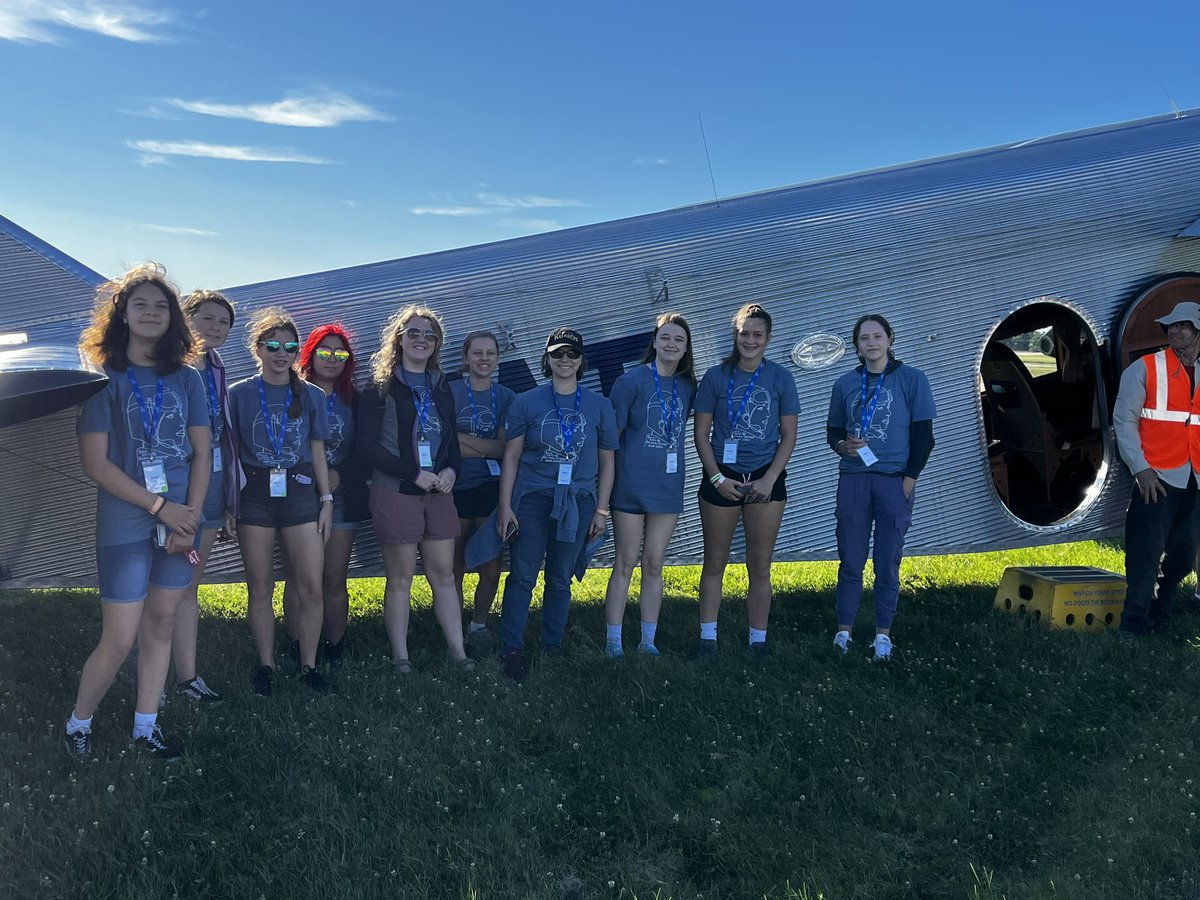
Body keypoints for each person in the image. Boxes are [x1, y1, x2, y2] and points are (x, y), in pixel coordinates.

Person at [65, 264, 210, 760]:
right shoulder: (101, 378)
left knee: (161, 624)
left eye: (161, 306)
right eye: (140, 304)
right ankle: (78, 723)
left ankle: (146, 727)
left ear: (173, 318)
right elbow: (95, 464)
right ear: (122, 315)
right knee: (121, 636)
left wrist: (189, 517)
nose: (151, 313)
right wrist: (160, 507)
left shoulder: (187, 379)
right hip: (127, 519)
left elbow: (203, 454)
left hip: (181, 519)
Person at [497, 327, 618, 680]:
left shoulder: (600, 405)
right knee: (523, 576)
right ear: (547, 359)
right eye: (557, 354)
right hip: (533, 498)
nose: (565, 360)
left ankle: (553, 645)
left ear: (581, 361)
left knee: (561, 577)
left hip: (578, 502)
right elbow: (511, 456)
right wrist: (505, 506)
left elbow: (608, 461)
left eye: (572, 354)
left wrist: (601, 510)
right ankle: (511, 649)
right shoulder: (527, 402)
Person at [226, 308, 335, 695]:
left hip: (300, 490)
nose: (281, 353)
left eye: (290, 347)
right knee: (260, 587)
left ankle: (309, 665)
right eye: (272, 345)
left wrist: (326, 499)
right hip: (254, 493)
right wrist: (229, 503)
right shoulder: (237, 393)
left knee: (311, 586)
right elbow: (230, 452)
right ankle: (266, 665)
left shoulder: (312, 394)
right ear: (257, 348)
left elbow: (318, 450)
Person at [358, 305, 473, 673]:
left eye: (429, 335)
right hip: (396, 492)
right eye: (414, 333)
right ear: (399, 338)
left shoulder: (441, 386)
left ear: (437, 344)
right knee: (401, 579)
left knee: (444, 575)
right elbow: (367, 447)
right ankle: (401, 658)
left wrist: (453, 469)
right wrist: (412, 473)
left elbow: (451, 440)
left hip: (438, 494)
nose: (421, 340)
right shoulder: (380, 386)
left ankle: (459, 653)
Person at [826, 314, 936, 660]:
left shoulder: (912, 379)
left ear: (890, 339)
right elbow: (833, 431)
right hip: (854, 480)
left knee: (887, 561)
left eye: (877, 336)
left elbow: (924, 438)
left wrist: (908, 482)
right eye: (864, 338)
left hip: (894, 480)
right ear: (856, 346)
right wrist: (843, 447)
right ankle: (844, 632)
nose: (871, 343)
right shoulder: (845, 384)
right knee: (851, 558)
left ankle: (883, 636)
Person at [693, 303, 798, 661]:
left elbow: (789, 435)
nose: (750, 341)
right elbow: (701, 434)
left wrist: (770, 479)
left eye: (757, 335)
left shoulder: (781, 378)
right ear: (735, 335)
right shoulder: (715, 377)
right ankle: (708, 639)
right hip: (721, 478)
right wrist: (717, 478)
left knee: (760, 564)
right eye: (744, 333)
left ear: (768, 338)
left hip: (766, 481)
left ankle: (758, 641)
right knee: (714, 561)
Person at [602, 312, 697, 657]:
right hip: (630, 486)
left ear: (686, 348)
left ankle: (647, 640)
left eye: (679, 340)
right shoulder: (630, 382)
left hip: (667, 487)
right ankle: (613, 641)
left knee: (655, 562)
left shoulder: (688, 386)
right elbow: (611, 438)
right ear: (654, 342)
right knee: (625, 561)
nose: (671, 344)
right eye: (665, 337)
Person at [1113, 301, 1200, 636]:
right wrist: (1141, 470)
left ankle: (1161, 611)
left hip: (1195, 478)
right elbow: (1124, 421)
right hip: (1156, 476)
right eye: (1171, 326)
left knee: (1184, 553)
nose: (1174, 331)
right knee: (1145, 552)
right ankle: (1133, 622)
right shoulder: (1145, 368)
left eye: (1183, 325)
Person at [281, 324, 367, 662]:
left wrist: (339, 475)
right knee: (298, 576)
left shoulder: (356, 401)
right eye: (325, 352)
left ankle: (334, 644)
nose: (332, 359)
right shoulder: (291, 394)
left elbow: (367, 450)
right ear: (310, 354)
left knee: (333, 577)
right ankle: (295, 643)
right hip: (299, 496)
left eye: (340, 354)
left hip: (340, 496)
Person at [169, 290, 238, 703]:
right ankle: (152, 677)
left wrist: (229, 500)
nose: (214, 327)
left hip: (210, 484)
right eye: (206, 318)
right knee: (160, 584)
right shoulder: (167, 365)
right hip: (171, 485)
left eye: (223, 322)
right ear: (187, 319)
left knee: (189, 582)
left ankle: (187, 677)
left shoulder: (216, 367)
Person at [450, 330, 517, 658]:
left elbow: (505, 448)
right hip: (454, 485)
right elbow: (443, 444)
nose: (484, 359)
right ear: (466, 358)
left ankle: (478, 625)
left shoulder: (507, 397)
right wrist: (484, 447)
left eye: (490, 353)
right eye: (477, 353)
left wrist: (463, 441)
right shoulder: (449, 393)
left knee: (490, 567)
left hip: (493, 488)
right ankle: (452, 626)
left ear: (498, 358)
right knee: (455, 565)